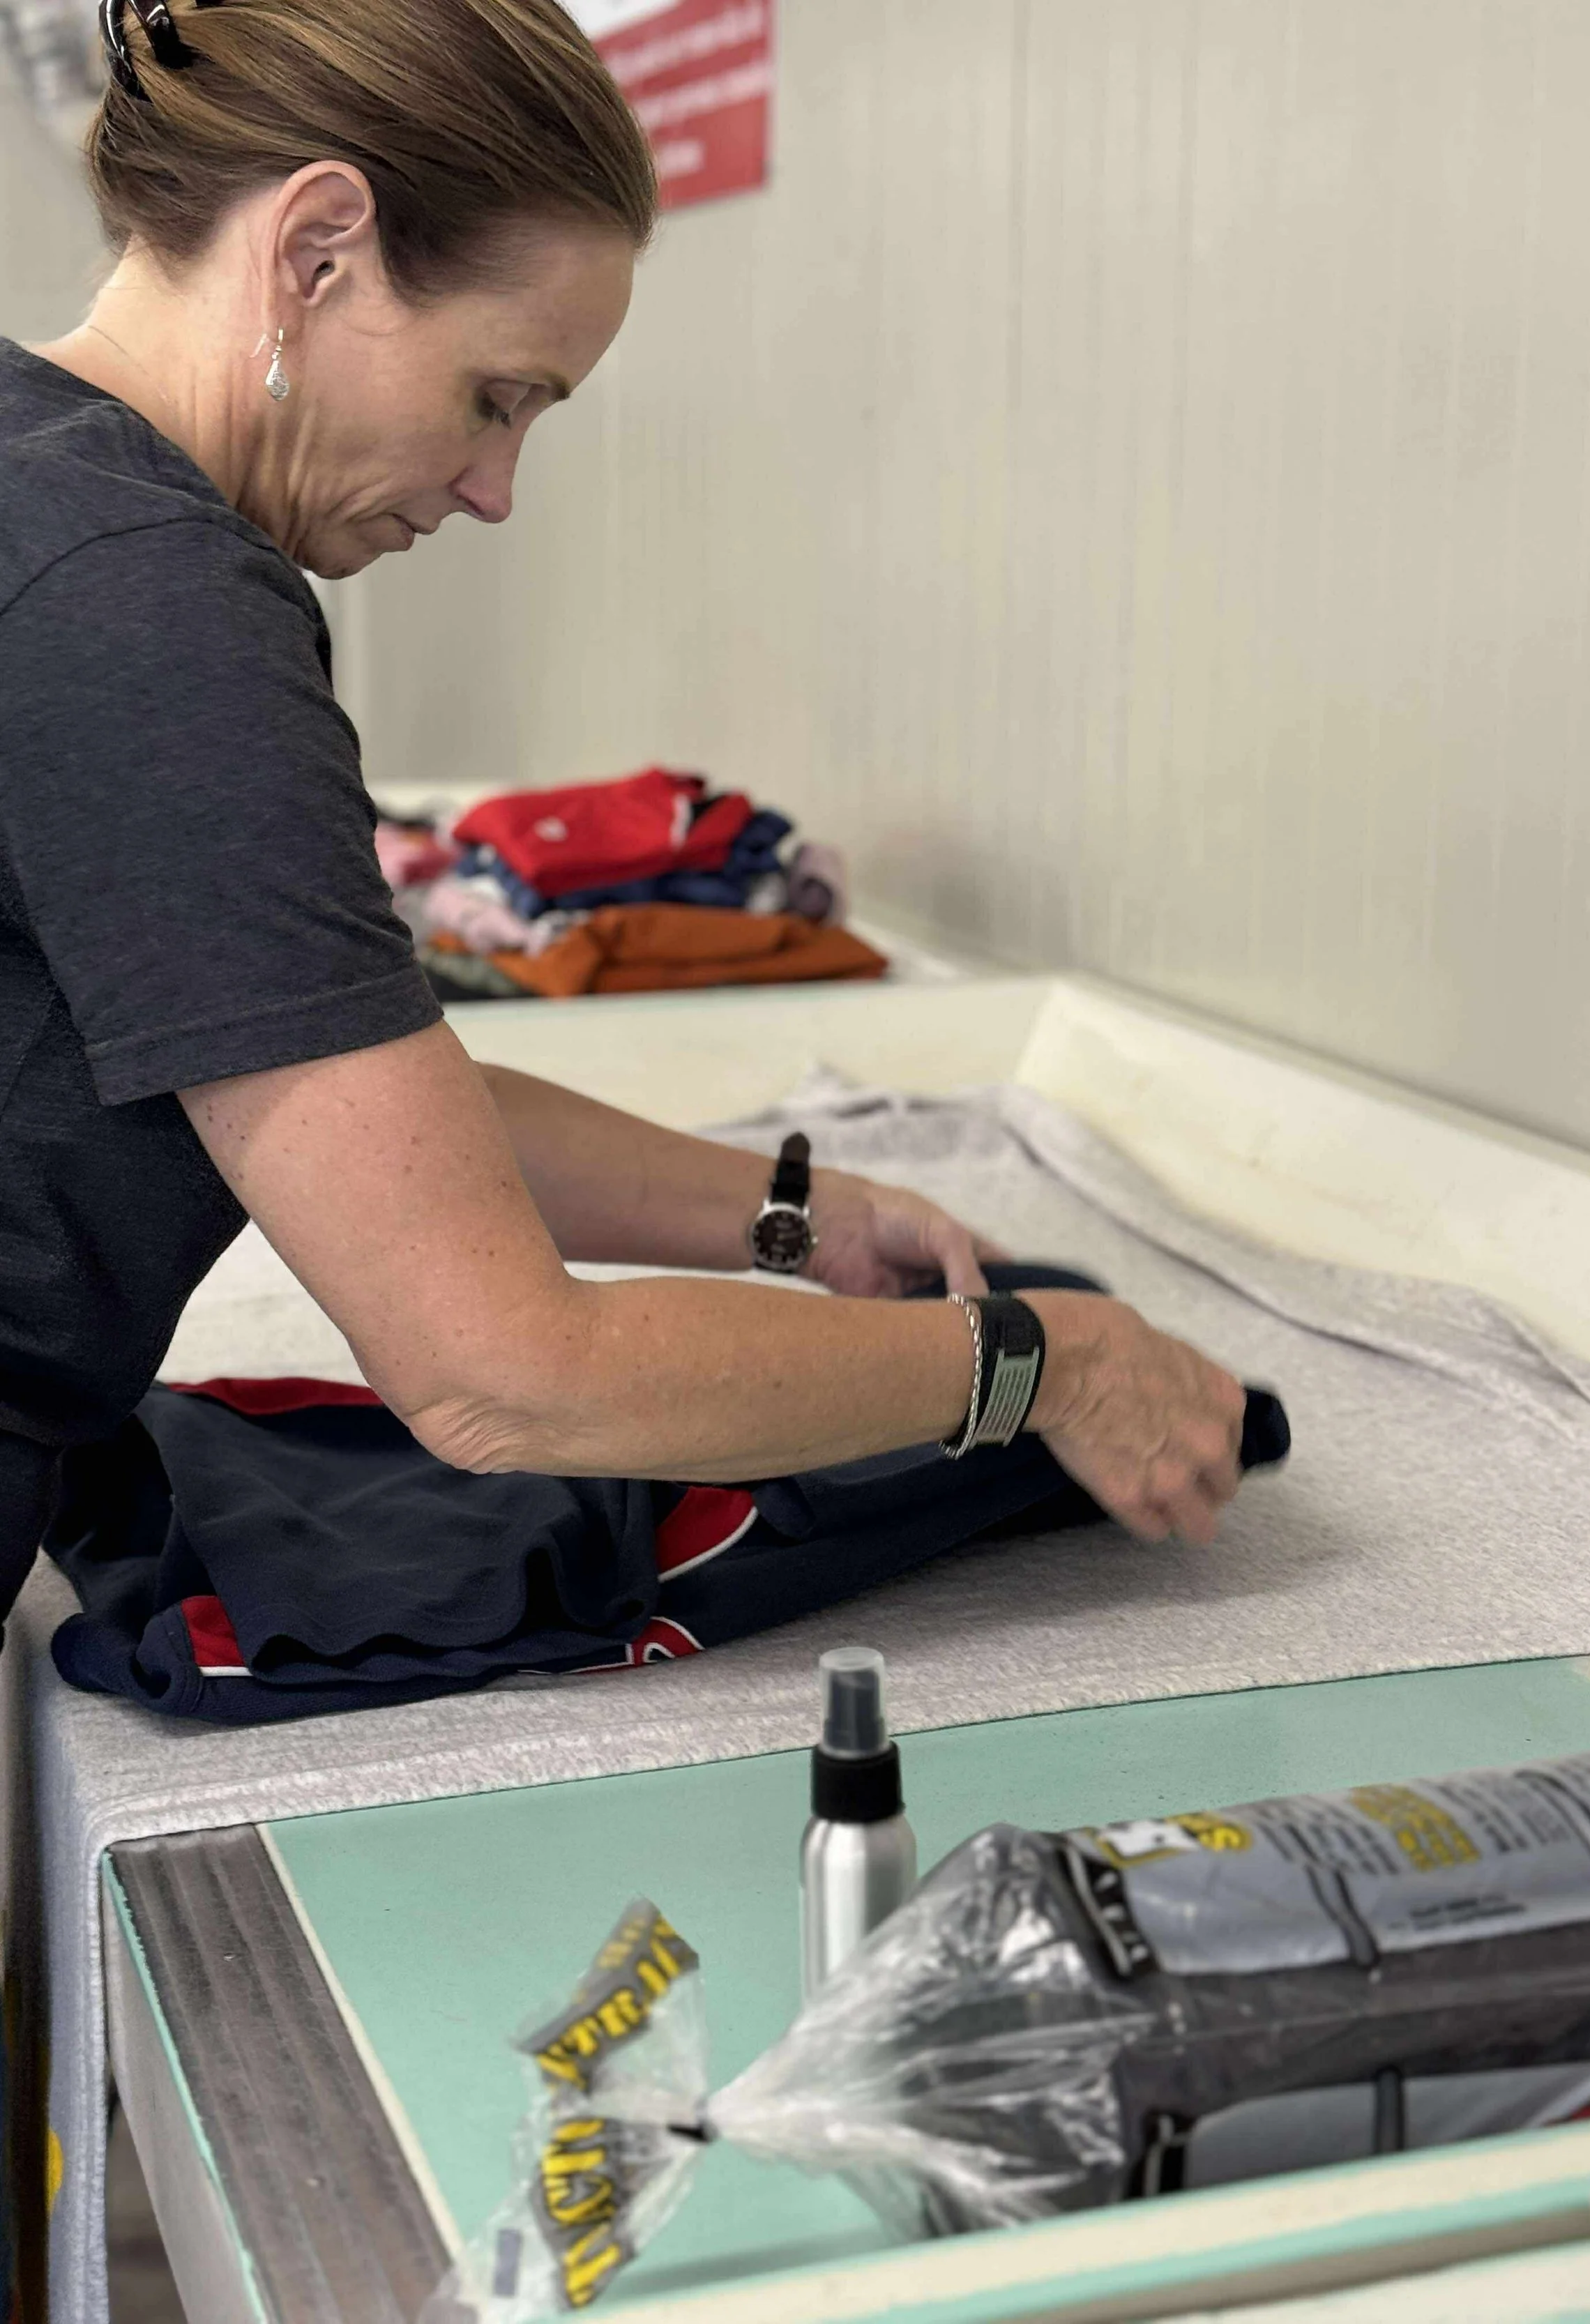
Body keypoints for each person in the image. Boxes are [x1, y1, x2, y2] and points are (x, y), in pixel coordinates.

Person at [0, 0, 1249, 1648]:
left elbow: (342, 1102)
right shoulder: (147, 606)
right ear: (316, 249)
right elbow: (501, 1376)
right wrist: (1033, 1367)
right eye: (496, 396)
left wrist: (791, 1212)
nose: (496, 486)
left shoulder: (44, 487)